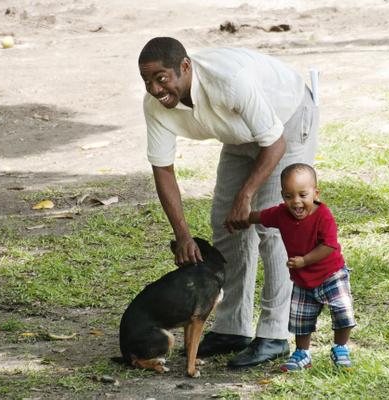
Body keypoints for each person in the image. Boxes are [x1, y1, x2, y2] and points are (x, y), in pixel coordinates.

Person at [138, 37, 319, 368]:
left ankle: (274, 335)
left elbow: (274, 143)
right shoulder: (156, 106)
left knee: (272, 228)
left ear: (185, 67)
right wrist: (182, 234)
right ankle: (231, 329)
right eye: (147, 80)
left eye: (161, 77)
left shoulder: (229, 81)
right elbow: (163, 170)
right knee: (227, 225)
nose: (154, 88)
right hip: (239, 133)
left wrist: (246, 194)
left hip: (287, 120)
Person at [243, 163, 356, 371]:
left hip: (331, 274)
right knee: (301, 319)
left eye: (303, 195)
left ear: (315, 193)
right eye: (288, 196)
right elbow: (260, 216)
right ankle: (302, 354)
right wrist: (242, 218)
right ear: (283, 195)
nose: (296, 202)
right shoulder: (281, 214)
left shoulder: (323, 216)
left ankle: (341, 348)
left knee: (342, 311)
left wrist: (304, 260)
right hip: (303, 280)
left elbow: (329, 245)